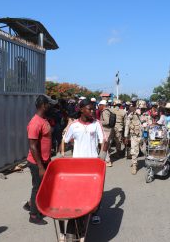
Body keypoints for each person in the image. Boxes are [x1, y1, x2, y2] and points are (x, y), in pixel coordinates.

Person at [62, 99, 104, 230]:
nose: (92, 111)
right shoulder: (74, 125)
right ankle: (79, 211)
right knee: (78, 189)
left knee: (96, 190)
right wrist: (64, 154)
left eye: (93, 109)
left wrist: (102, 157)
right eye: (89, 109)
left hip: (93, 164)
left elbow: (104, 141)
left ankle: (94, 212)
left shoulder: (96, 124)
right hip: (77, 165)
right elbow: (65, 140)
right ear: (81, 110)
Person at [25, 95, 57, 225]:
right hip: (37, 163)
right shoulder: (36, 122)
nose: (51, 107)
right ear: (44, 105)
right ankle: (33, 215)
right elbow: (32, 146)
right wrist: (40, 167)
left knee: (41, 186)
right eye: (50, 104)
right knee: (37, 188)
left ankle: (30, 205)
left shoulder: (43, 120)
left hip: (44, 161)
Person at [124, 100, 151, 175]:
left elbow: (150, 124)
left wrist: (148, 126)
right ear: (137, 107)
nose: (142, 110)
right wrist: (126, 136)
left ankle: (147, 162)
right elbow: (127, 125)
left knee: (145, 150)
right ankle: (134, 165)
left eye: (143, 108)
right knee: (134, 151)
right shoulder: (132, 115)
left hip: (144, 137)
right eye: (141, 108)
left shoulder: (147, 115)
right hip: (134, 136)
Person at [99, 100, 114, 167]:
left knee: (105, 145)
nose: (99, 106)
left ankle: (107, 161)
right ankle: (105, 159)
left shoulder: (105, 112)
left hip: (106, 130)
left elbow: (107, 122)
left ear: (103, 105)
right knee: (106, 145)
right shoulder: (110, 110)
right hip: (109, 130)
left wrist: (99, 122)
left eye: (100, 105)